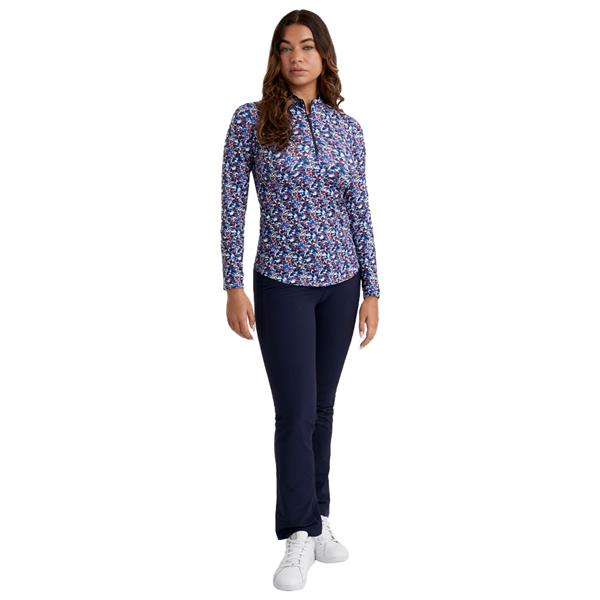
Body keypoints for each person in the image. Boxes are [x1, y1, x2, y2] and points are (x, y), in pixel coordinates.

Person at [220, 9, 381, 591]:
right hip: (281, 283)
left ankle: (318, 519)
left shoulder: (348, 129)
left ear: (324, 56)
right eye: (286, 48)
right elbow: (232, 205)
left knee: (323, 407)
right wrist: (232, 283)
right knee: (294, 411)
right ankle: (297, 531)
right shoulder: (251, 120)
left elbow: (359, 209)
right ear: (276, 57)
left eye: (307, 47)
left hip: (341, 284)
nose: (296, 57)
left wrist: (373, 288)